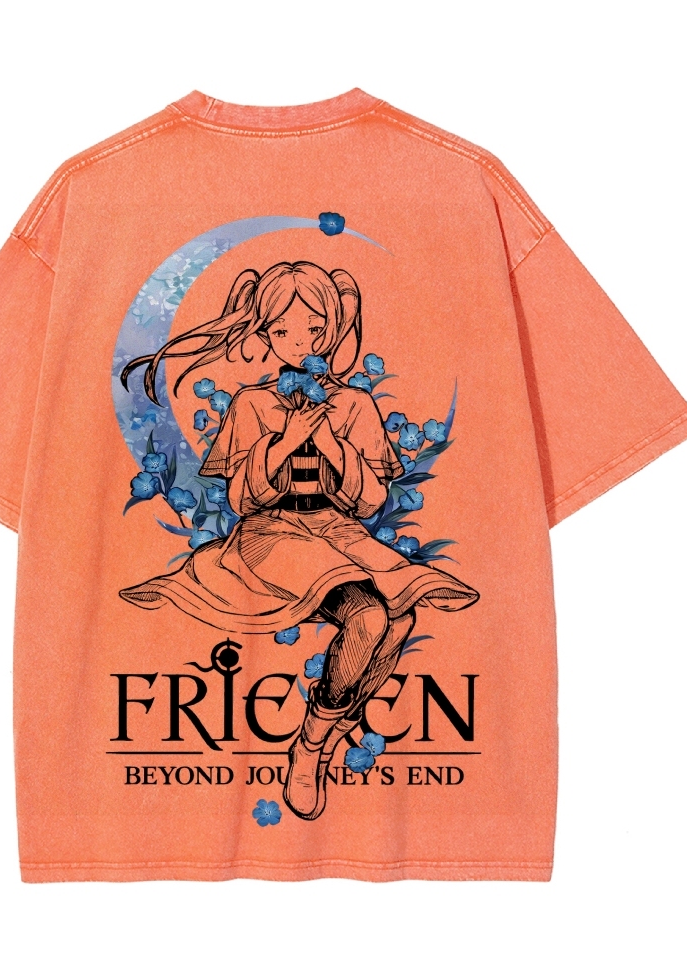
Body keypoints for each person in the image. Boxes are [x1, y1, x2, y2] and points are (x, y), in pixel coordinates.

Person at [119, 260, 478, 819]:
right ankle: (310, 748)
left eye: (314, 328)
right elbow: (242, 500)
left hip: (339, 531)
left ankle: (328, 730)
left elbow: (370, 502)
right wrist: (284, 442)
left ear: (332, 329)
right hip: (271, 534)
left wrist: (332, 446)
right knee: (370, 618)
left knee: (402, 615)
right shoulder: (252, 404)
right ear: (264, 334)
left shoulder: (355, 404)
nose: (300, 341)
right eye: (282, 330)